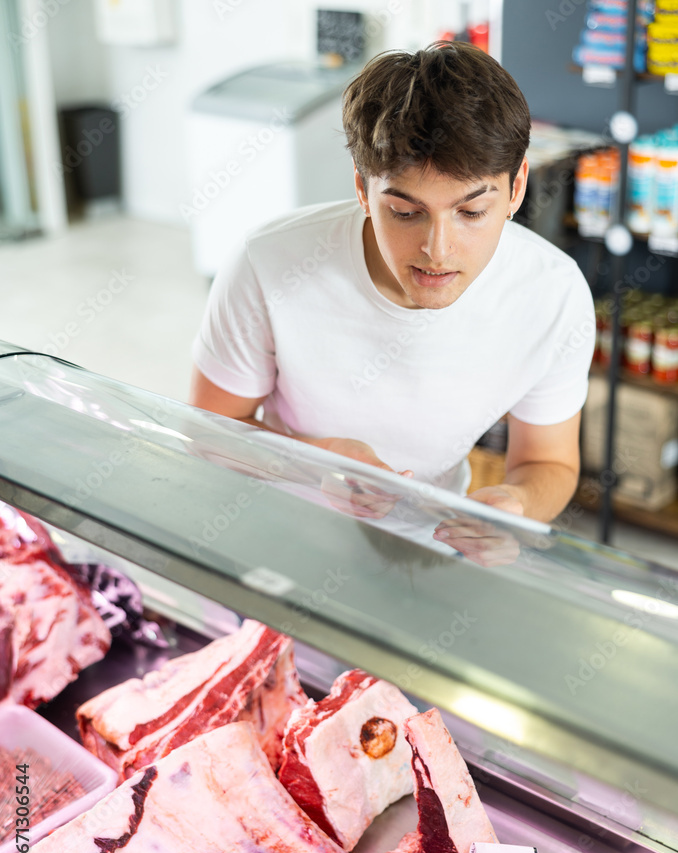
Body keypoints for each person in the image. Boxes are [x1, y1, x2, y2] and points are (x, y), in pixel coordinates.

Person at [190, 42, 595, 561]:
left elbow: (550, 464)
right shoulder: (269, 262)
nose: (438, 250)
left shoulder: (554, 295)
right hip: (275, 537)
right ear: (362, 188)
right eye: (406, 212)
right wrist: (320, 461)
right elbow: (208, 434)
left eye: (471, 213)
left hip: (431, 548)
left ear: (516, 189)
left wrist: (513, 509)